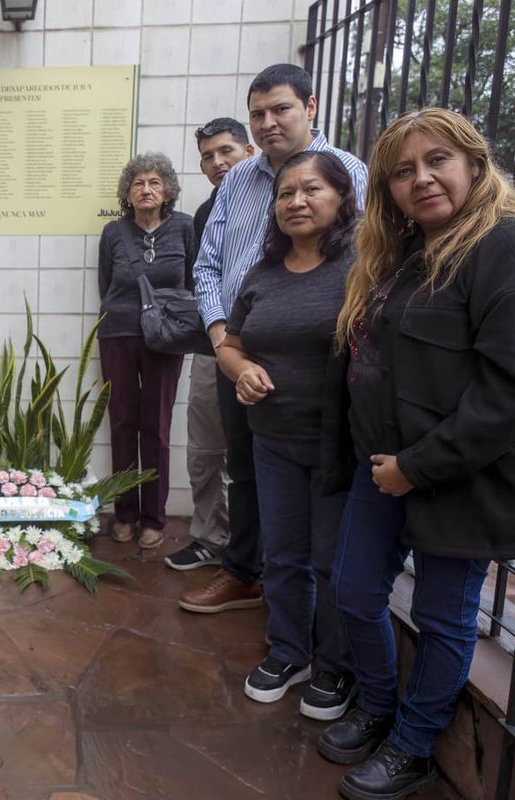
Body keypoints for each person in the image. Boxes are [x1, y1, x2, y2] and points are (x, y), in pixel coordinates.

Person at [318, 108, 515, 800]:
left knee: (442, 618)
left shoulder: (499, 248)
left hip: (454, 479)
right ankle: (378, 706)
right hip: (381, 471)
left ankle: (412, 745)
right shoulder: (399, 259)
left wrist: (416, 467)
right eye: (403, 171)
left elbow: (504, 394)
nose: (421, 179)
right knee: (353, 591)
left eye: (437, 161)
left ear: (474, 165)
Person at [186, 63, 367, 613]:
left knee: (323, 480)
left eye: (280, 109)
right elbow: (207, 264)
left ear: (310, 108)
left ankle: (311, 603)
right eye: (257, 114)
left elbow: (370, 262)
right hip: (240, 348)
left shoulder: (350, 172)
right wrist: (223, 339)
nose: (268, 123)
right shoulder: (238, 178)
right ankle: (244, 572)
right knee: (244, 468)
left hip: (318, 355)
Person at [217, 151, 357, 721]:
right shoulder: (263, 273)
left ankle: (337, 665)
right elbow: (230, 345)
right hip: (272, 440)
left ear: (342, 197)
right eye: (285, 193)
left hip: (340, 445)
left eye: (311, 189)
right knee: (282, 555)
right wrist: (242, 370)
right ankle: (289, 652)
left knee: (332, 561)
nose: (296, 202)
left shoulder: (362, 267)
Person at [165, 118, 254, 571]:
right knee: (204, 450)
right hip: (211, 346)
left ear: (249, 152)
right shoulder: (204, 213)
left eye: (226, 151)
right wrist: (218, 335)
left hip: (263, 348)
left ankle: (250, 553)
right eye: (208, 156)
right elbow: (202, 277)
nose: (217, 162)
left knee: (251, 459)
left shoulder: (277, 198)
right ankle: (209, 539)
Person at [97, 152, 196, 549]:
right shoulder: (113, 233)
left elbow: (192, 282)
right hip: (118, 333)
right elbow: (106, 284)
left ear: (167, 190)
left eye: (155, 182)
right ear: (127, 193)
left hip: (167, 338)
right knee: (122, 423)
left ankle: (153, 517)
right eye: (138, 183)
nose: (146, 189)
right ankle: (125, 512)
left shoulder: (185, 227)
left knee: (156, 426)